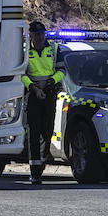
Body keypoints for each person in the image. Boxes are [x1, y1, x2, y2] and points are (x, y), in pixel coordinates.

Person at [23, 21, 64, 185]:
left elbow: (62, 71)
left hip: (49, 94)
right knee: (34, 133)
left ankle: (42, 161)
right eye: (36, 34)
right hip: (33, 95)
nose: (39, 37)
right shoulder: (25, 51)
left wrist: (50, 83)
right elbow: (21, 73)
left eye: (42, 34)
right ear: (30, 35)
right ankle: (35, 171)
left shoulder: (54, 49)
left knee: (47, 131)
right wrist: (33, 87)